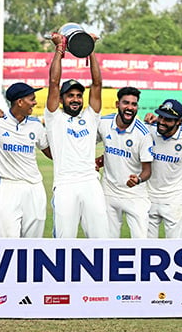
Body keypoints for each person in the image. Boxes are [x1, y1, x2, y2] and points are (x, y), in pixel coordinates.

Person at [45, 32, 109, 238]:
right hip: (65, 184)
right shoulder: (55, 118)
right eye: (70, 95)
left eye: (78, 95)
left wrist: (89, 49)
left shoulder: (91, 117)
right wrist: (59, 50)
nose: (75, 99)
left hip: (91, 182)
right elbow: (54, 82)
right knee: (64, 240)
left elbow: (97, 84)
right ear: (62, 99)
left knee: (101, 239)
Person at [0, 83, 52, 238]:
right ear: (19, 102)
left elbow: (51, 153)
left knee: (33, 243)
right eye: (31, 99)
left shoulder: (35, 125)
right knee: (8, 242)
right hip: (9, 187)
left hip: (35, 188)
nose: (34, 103)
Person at [97, 87, 153, 238]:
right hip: (109, 191)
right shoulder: (103, 123)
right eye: (126, 103)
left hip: (135, 194)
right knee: (109, 241)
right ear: (117, 104)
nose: (130, 107)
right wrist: (96, 161)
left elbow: (147, 170)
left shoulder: (143, 134)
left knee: (141, 242)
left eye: (134, 104)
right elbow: (85, 144)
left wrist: (138, 179)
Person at [145, 99, 182, 238]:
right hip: (148, 197)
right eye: (161, 117)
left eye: (168, 119)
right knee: (147, 246)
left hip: (174, 199)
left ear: (179, 122)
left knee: (175, 246)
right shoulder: (149, 130)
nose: (161, 122)